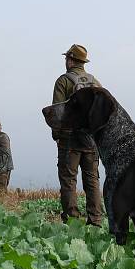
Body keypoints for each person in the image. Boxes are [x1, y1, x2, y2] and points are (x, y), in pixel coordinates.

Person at [52, 44, 103, 225]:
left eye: (67, 58)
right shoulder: (95, 82)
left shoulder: (63, 81)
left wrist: (57, 135)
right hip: (91, 140)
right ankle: (96, 220)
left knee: (68, 181)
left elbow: (57, 112)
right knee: (92, 181)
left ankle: (73, 223)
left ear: (71, 60)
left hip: (69, 140)